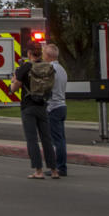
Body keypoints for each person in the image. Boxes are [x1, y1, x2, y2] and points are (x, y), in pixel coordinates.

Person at [15, 42, 56, 178]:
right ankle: (54, 170)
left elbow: (14, 88)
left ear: (29, 53)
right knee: (46, 138)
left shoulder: (26, 67)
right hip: (43, 105)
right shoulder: (47, 66)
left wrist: (13, 81)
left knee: (32, 139)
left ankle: (38, 171)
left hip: (28, 106)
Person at [43, 43, 68, 177]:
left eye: (44, 54)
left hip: (53, 106)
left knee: (57, 140)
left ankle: (60, 167)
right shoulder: (62, 69)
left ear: (47, 55)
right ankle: (61, 166)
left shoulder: (50, 69)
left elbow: (46, 88)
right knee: (61, 139)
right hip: (62, 105)